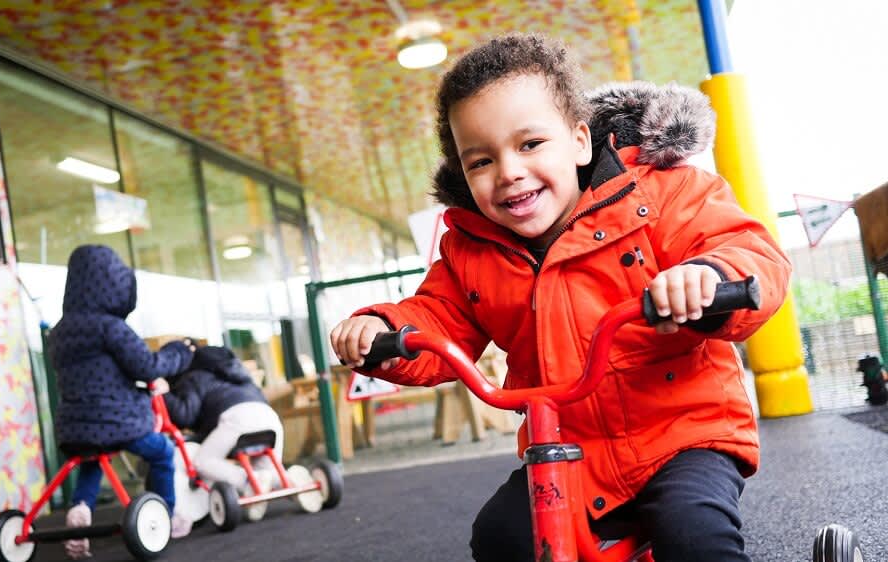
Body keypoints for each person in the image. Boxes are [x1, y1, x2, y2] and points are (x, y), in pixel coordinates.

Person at [329, 33, 791, 562]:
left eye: (530, 145)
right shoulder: (470, 250)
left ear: (579, 140)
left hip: (682, 434)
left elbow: (748, 250)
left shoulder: (662, 195)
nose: (508, 172)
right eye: (480, 161)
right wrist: (380, 327)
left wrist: (707, 276)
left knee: (693, 534)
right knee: (501, 537)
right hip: (569, 452)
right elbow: (436, 316)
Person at [48, 244, 196, 559]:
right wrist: (179, 352)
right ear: (114, 284)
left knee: (93, 458)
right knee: (162, 451)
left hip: (75, 426)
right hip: (118, 422)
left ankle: (81, 507)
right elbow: (147, 367)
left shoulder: (60, 332)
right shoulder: (110, 328)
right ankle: (164, 514)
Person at [162, 345, 284, 492]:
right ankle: (296, 482)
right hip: (269, 416)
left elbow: (185, 415)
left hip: (237, 418)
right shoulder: (239, 373)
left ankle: (248, 481)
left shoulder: (195, 377)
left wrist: (164, 394)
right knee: (269, 471)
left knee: (203, 462)